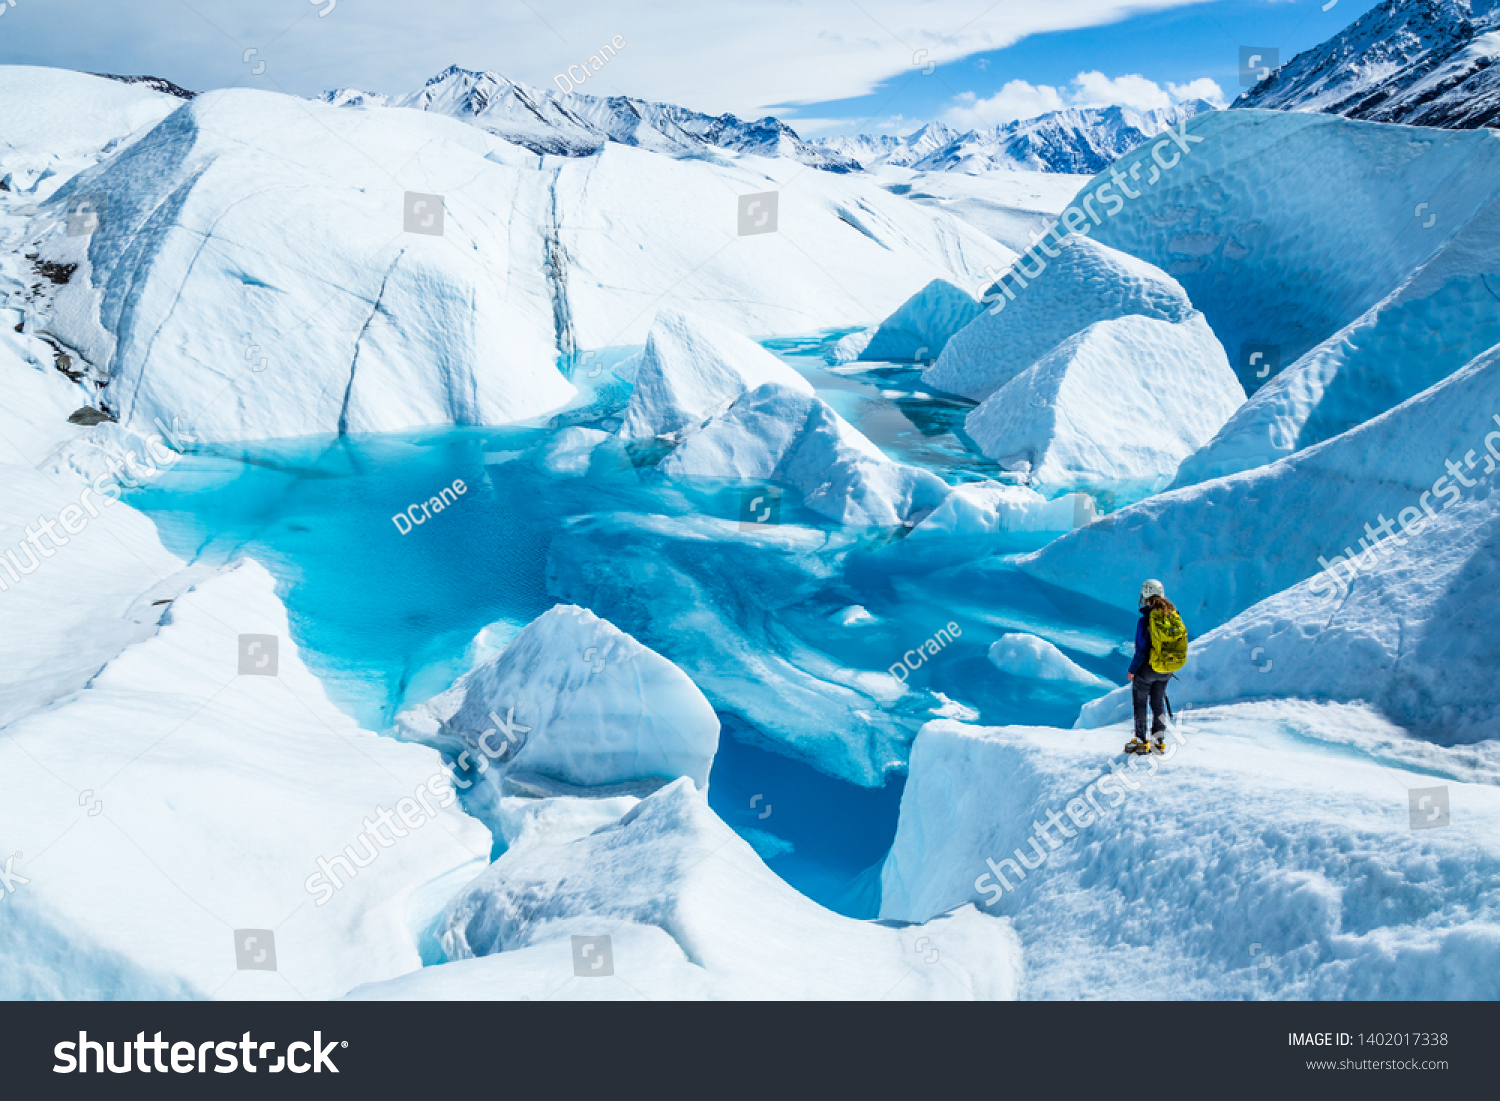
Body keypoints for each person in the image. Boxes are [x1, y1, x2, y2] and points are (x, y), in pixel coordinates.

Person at [1126, 579, 1188, 754]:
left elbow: (1141, 649)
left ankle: (1140, 740)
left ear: (1145, 595)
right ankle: (1158, 741)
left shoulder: (1146, 619)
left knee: (1140, 702)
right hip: (1167, 668)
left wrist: (1132, 670)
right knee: (1158, 702)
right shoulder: (1173, 616)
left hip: (1148, 668)